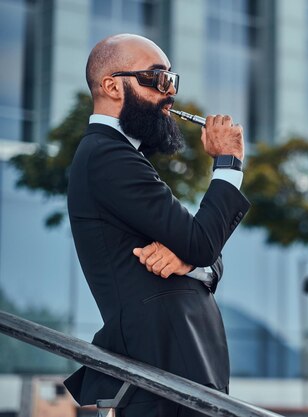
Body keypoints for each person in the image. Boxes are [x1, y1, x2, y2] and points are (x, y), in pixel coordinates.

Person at [63, 33, 249, 417]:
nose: (170, 92)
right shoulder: (107, 156)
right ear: (112, 86)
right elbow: (200, 241)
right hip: (162, 376)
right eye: (157, 78)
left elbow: (201, 249)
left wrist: (190, 261)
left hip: (180, 374)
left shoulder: (122, 156)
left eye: (172, 80)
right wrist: (229, 162)